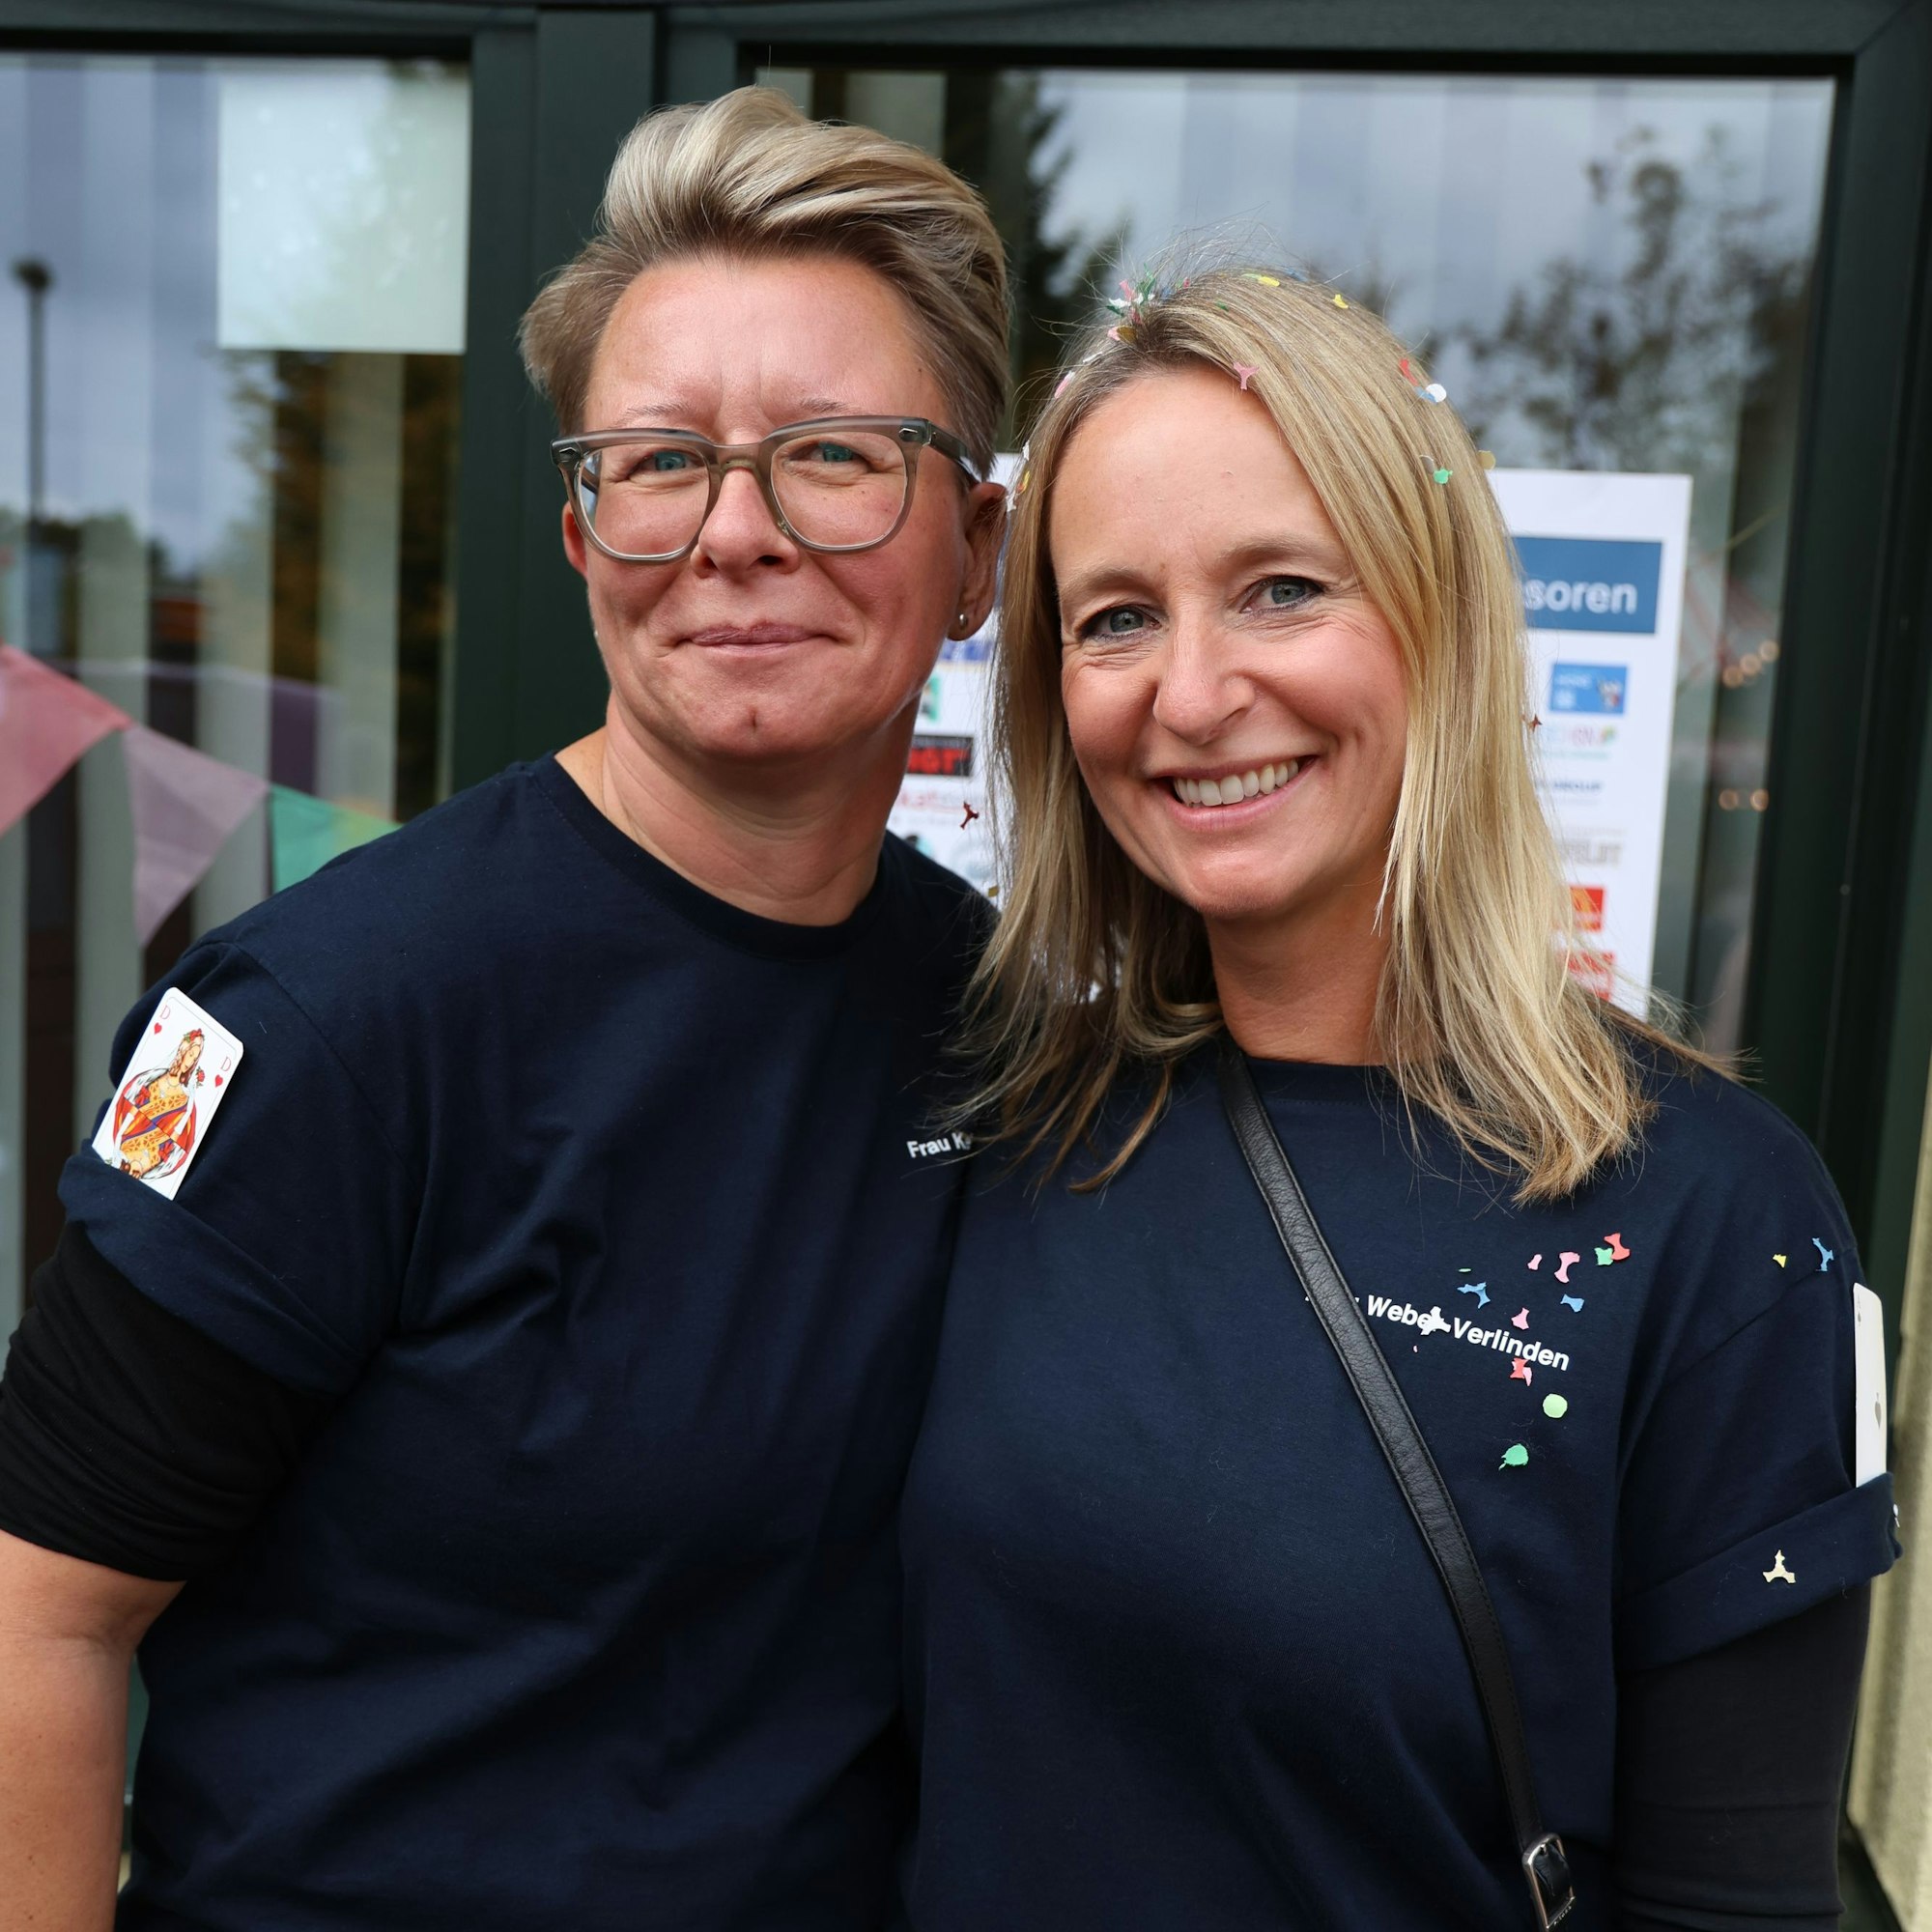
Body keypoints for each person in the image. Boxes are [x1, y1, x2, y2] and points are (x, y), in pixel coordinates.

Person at [0, 87, 1007, 1930]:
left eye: (834, 453)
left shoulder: (995, 1022)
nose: (737, 531)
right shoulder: (323, 1018)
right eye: (659, 461)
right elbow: (37, 1619)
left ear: (980, 551)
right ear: (581, 535)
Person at [899, 265, 1899, 1928]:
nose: (1192, 693)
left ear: (1440, 621)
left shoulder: (1711, 1223)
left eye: (1283, 589)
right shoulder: (1013, 1126)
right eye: (1117, 616)